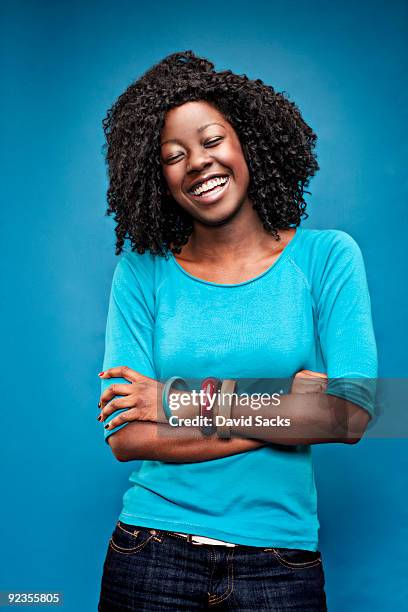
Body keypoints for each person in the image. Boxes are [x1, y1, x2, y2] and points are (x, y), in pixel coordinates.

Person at [96, 51, 377, 611]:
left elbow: (351, 415)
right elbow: (127, 438)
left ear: (247, 140)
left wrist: (175, 404)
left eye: (211, 140)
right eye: (174, 156)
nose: (196, 163)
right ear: (160, 178)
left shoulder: (327, 258)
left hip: (279, 561)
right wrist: (288, 415)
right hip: (149, 553)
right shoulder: (142, 271)